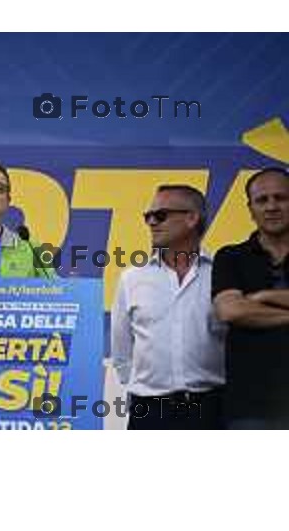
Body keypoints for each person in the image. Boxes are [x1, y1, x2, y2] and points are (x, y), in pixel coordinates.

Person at [111, 184, 225, 430]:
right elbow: (121, 353)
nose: (151, 222)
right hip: (150, 411)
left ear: (192, 218)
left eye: (160, 215)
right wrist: (145, 390)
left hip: (212, 407)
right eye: (147, 216)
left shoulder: (223, 274)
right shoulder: (132, 278)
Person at [213, 167, 289, 429]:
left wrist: (265, 296)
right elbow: (231, 311)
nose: (272, 206)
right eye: (262, 200)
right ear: (250, 208)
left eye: (281, 198)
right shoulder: (231, 257)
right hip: (251, 407)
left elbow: (244, 308)